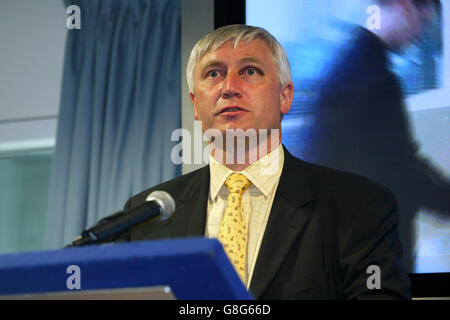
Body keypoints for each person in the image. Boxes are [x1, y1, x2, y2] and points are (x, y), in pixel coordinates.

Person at [112, 24, 411, 299]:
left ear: (285, 97)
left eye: (250, 71)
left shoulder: (360, 207)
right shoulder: (146, 216)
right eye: (213, 73)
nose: (229, 87)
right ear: (194, 103)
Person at [301, 0, 450, 273]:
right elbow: (404, 172)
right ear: (405, 6)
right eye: (424, 21)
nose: (419, 35)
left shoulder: (349, 66)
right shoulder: (374, 80)